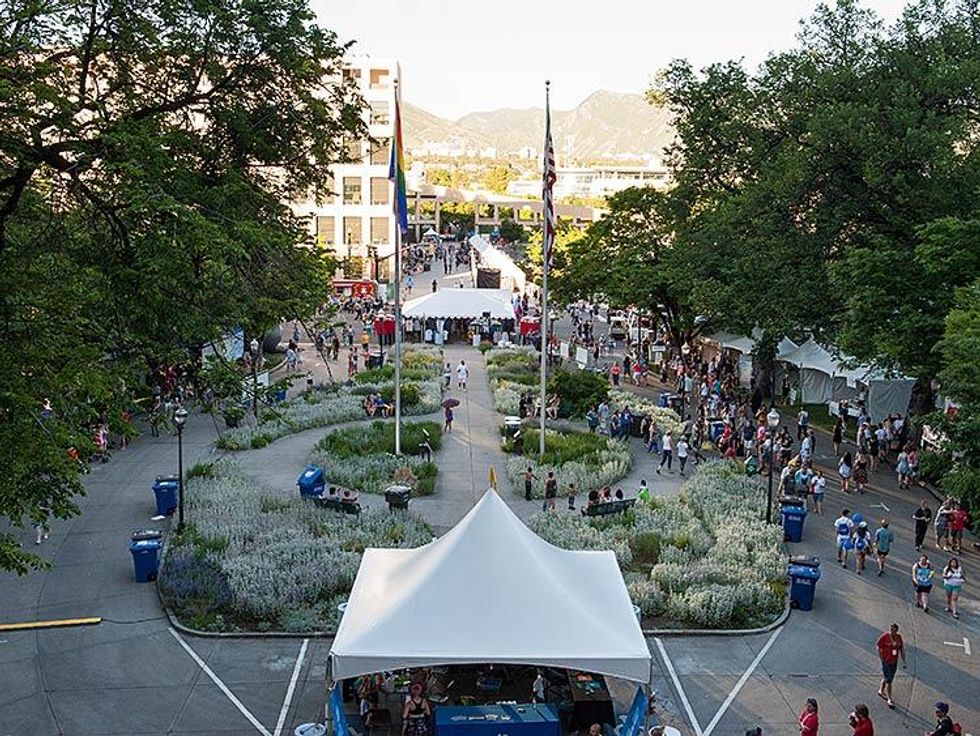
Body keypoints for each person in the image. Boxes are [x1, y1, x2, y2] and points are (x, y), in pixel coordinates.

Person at [876, 622, 906, 709]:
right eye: (890, 629)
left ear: (896, 631)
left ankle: (881, 690)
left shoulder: (898, 637)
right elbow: (878, 646)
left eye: (893, 630)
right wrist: (881, 657)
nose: (891, 631)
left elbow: (901, 649)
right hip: (886, 661)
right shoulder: (884, 637)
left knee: (888, 677)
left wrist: (904, 660)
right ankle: (889, 699)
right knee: (889, 681)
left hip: (894, 661)